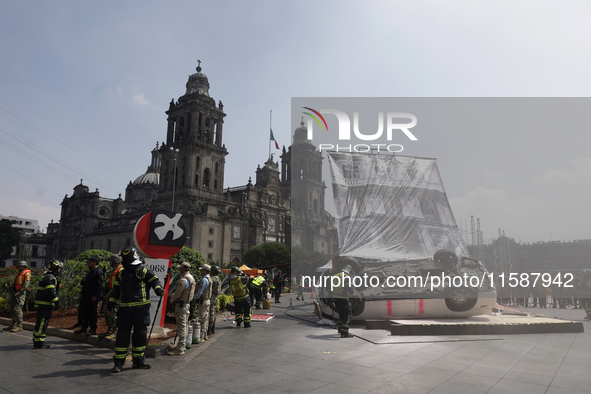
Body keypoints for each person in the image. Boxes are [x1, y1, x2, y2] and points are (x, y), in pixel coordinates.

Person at [107, 247, 164, 373]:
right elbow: (116, 290)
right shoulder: (122, 273)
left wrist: (159, 290)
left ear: (129, 258)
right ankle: (118, 363)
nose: (122, 261)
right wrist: (110, 305)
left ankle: (139, 362)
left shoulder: (144, 271)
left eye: (124, 258)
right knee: (122, 337)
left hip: (141, 310)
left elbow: (155, 281)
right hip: (124, 311)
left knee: (140, 336)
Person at [167, 262, 196, 356]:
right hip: (187, 305)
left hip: (181, 305)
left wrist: (171, 301)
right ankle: (182, 345)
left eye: (180, 268)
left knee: (182, 327)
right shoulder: (191, 278)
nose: (179, 270)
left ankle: (179, 349)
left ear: (183, 269)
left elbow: (177, 294)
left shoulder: (183, 280)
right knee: (185, 326)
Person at [33, 260, 63, 349]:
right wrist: (57, 302)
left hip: (42, 305)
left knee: (40, 323)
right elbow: (50, 292)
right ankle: (39, 343)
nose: (59, 270)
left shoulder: (47, 276)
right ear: (54, 268)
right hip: (44, 305)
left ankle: (37, 341)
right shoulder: (50, 278)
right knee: (42, 324)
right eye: (58, 268)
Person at [75, 257, 104, 335]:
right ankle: (84, 328)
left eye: (89, 262)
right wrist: (82, 292)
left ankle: (93, 328)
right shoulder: (90, 272)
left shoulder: (98, 272)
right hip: (86, 294)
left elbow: (99, 286)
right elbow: (85, 284)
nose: (88, 264)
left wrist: (96, 295)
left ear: (94, 262)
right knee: (85, 312)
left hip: (92, 294)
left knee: (92, 312)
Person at [4, 261, 31, 332]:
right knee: (12, 309)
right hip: (15, 293)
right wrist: (12, 290)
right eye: (18, 266)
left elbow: (26, 285)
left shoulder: (27, 274)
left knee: (17, 309)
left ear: (24, 267)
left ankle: (20, 325)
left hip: (20, 294)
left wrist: (19, 293)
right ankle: (13, 324)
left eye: (20, 266)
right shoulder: (19, 273)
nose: (19, 267)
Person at [102, 254, 123, 340]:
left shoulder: (120, 270)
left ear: (114, 261)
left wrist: (110, 293)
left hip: (115, 296)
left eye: (110, 261)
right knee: (108, 314)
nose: (109, 262)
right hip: (110, 294)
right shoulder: (113, 270)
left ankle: (114, 331)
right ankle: (110, 330)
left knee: (113, 313)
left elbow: (118, 285)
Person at [331, 265, 354, 338]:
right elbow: (349, 287)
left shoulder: (335, 276)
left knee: (341, 314)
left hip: (335, 299)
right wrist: (353, 295)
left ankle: (340, 329)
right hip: (343, 299)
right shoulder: (346, 276)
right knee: (348, 315)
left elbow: (330, 288)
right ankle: (344, 333)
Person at [193, 264, 211, 341]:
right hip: (207, 301)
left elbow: (200, 291)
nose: (200, 271)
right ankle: (204, 334)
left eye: (201, 270)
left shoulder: (204, 280)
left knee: (202, 318)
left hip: (203, 301)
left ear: (204, 271)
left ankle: (201, 336)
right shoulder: (209, 279)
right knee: (206, 318)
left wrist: (195, 298)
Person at [207, 265, 221, 336]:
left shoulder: (212, 279)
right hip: (215, 298)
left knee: (211, 314)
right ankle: (213, 329)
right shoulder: (218, 279)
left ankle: (209, 330)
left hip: (211, 298)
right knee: (214, 314)